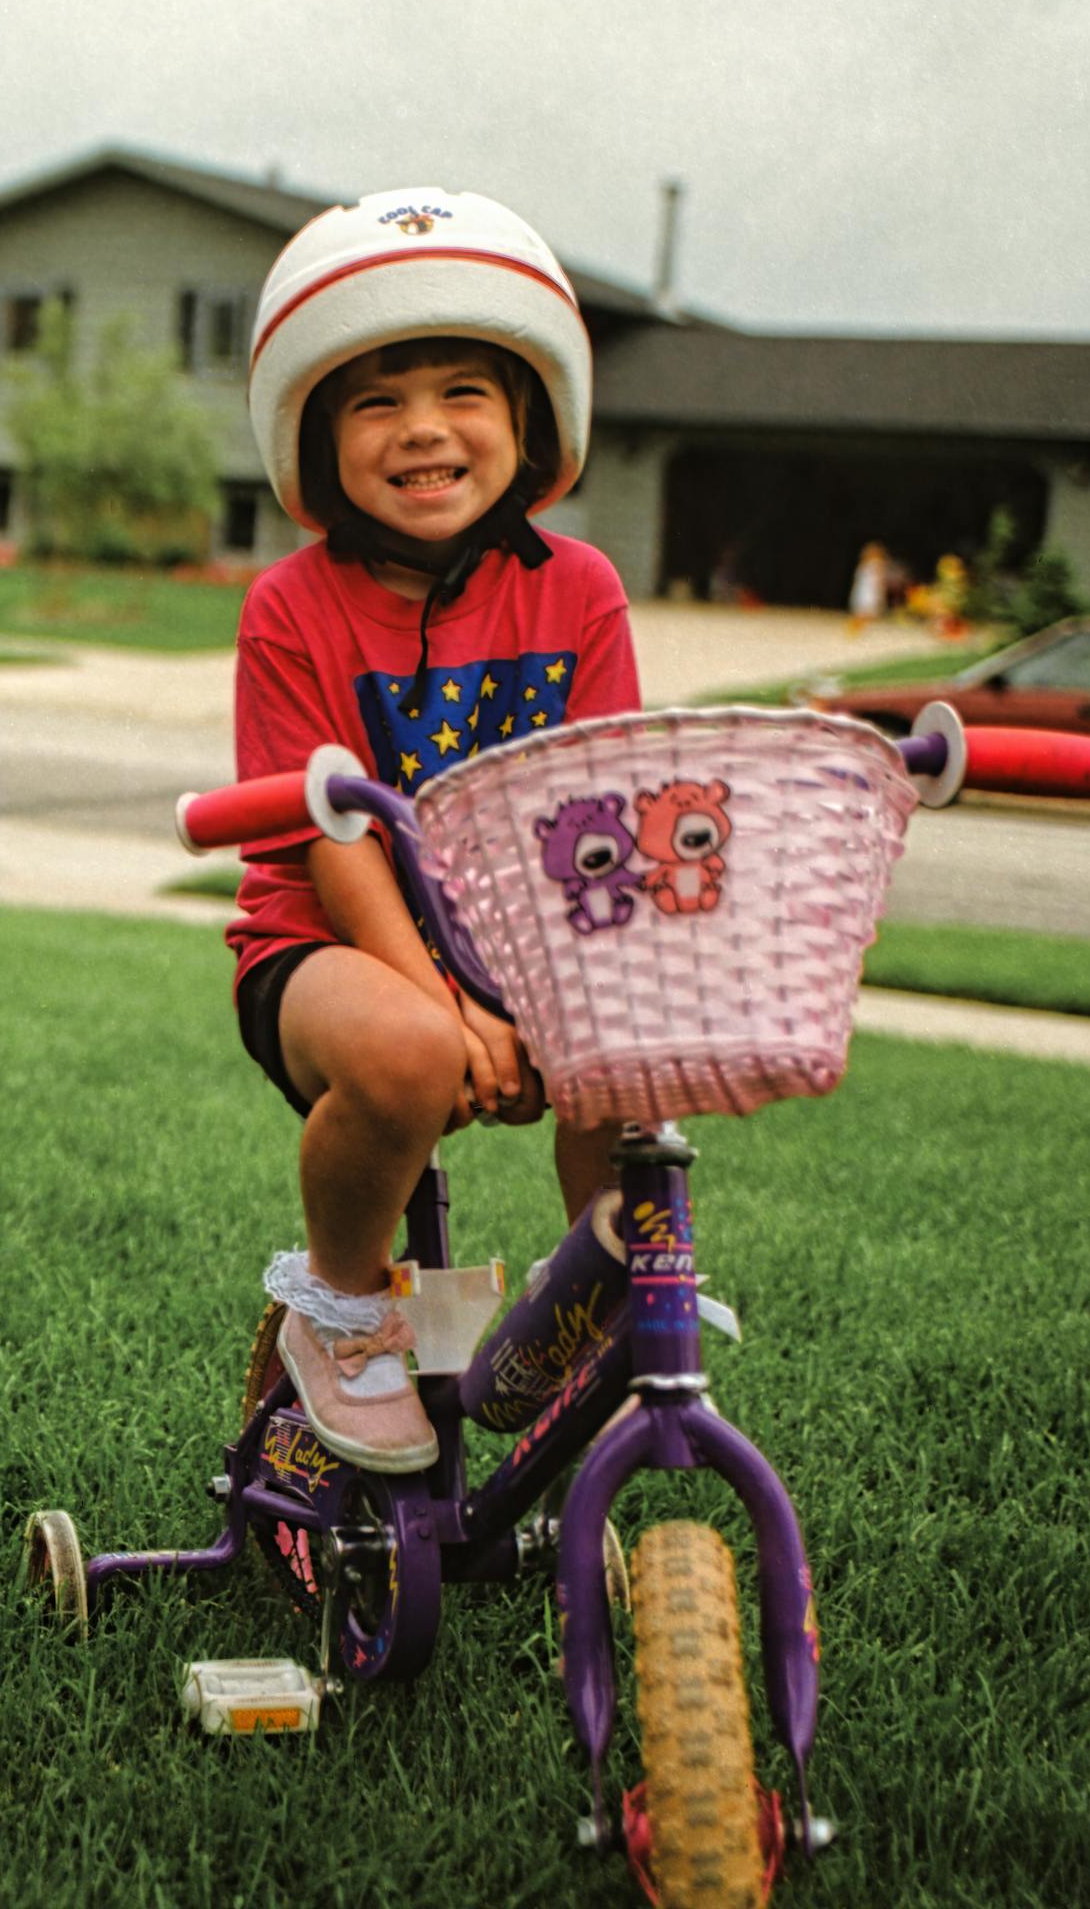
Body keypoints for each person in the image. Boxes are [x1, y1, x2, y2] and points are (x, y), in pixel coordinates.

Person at [228, 189, 639, 1473]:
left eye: (463, 390)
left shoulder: (578, 591)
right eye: (374, 400)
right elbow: (327, 837)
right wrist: (453, 1011)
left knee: (636, 1058)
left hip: (525, 953)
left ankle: (605, 1314)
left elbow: (602, 824)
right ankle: (341, 1314)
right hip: (325, 950)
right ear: (315, 436)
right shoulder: (291, 606)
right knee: (406, 1054)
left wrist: (529, 1000)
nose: (422, 429)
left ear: (528, 419)